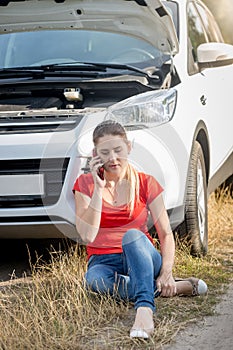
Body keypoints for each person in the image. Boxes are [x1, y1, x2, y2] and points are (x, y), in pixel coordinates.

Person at [73, 120, 207, 339]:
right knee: (93, 281)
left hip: (142, 255)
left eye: (118, 150)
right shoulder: (85, 184)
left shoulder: (146, 183)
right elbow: (87, 235)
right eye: (105, 152)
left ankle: (144, 309)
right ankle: (167, 287)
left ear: (129, 147)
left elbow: (165, 233)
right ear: (95, 153)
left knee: (132, 236)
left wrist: (166, 272)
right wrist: (98, 189)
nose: (113, 158)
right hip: (103, 262)